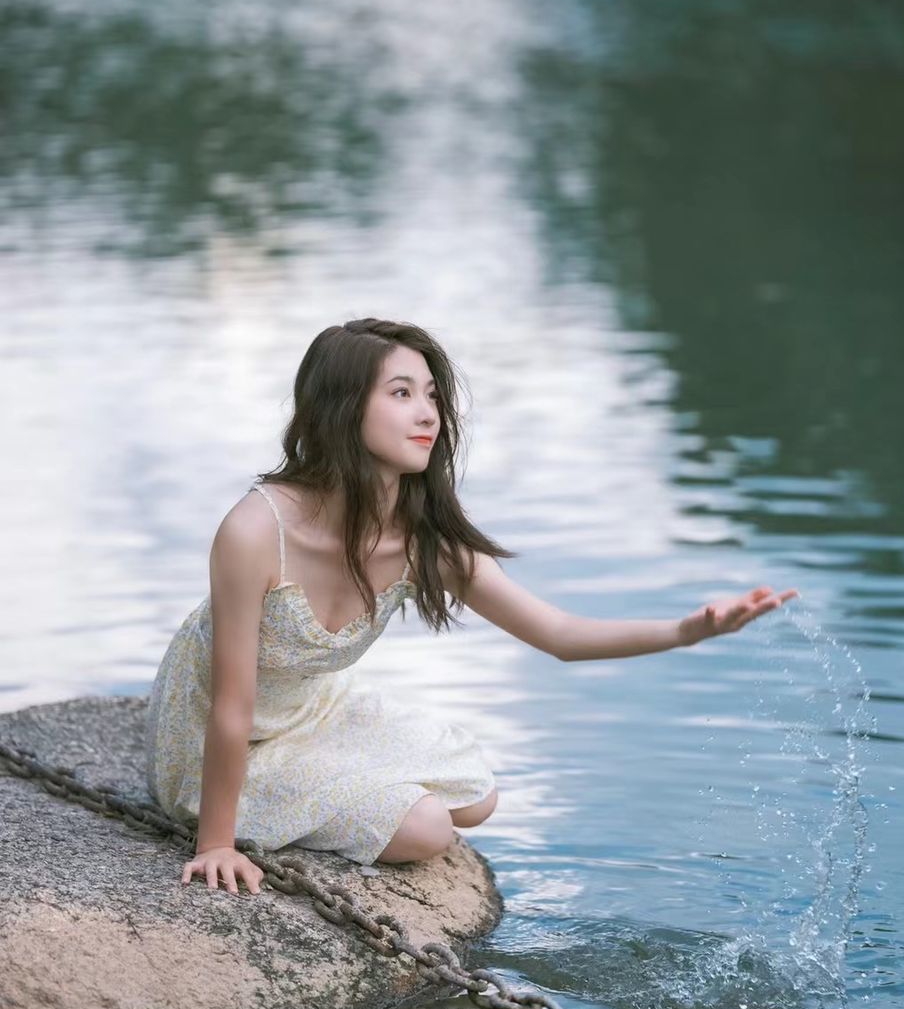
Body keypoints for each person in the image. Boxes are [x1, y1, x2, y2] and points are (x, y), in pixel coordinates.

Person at [144, 318, 797, 898]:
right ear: (341, 408)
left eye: (431, 394)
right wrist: (215, 843)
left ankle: (325, 792)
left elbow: (560, 634)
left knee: (476, 797)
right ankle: (283, 807)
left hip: (311, 708)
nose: (427, 413)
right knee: (428, 827)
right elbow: (232, 704)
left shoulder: (424, 538)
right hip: (215, 734)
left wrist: (687, 631)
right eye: (401, 393)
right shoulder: (257, 531)